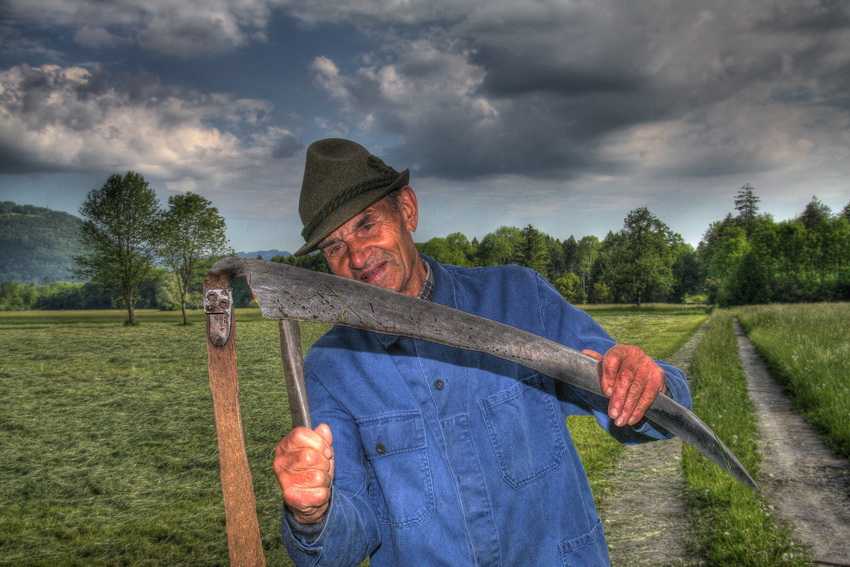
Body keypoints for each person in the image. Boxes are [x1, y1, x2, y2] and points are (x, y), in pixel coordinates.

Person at [273, 138, 691, 566]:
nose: (358, 257)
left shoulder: (519, 298)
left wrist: (643, 384)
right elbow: (338, 550)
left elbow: (649, 415)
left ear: (408, 211)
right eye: (335, 247)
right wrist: (312, 514)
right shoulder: (329, 370)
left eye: (367, 225)